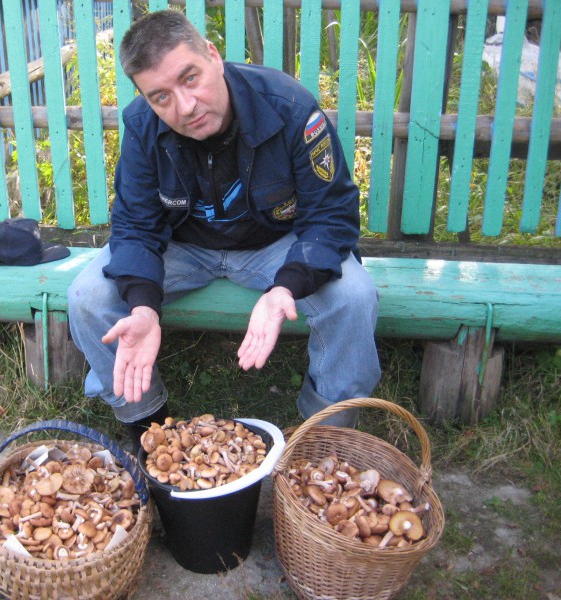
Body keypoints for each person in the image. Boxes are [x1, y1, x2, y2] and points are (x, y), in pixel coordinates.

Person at [68, 10, 380, 449]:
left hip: (275, 245)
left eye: (190, 78)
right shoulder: (142, 126)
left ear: (213, 56)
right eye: (161, 97)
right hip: (183, 248)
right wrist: (142, 306)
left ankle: (325, 434)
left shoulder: (290, 108)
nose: (185, 107)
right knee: (87, 298)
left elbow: (331, 214)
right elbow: (136, 226)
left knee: (353, 296)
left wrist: (287, 286)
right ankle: (147, 427)